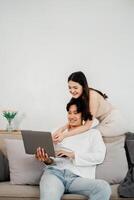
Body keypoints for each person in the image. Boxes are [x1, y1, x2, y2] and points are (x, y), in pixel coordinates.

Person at [36, 98, 111, 200]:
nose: (71, 116)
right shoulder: (57, 132)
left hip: (78, 178)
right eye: (69, 113)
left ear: (83, 115)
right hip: (54, 174)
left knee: (103, 187)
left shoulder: (93, 134)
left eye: (75, 113)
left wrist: (72, 155)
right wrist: (46, 159)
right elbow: (51, 160)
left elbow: (99, 156)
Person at [53, 71, 128, 143]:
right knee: (81, 133)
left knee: (88, 134)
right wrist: (61, 129)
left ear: (83, 86)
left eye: (75, 87)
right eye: (70, 87)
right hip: (104, 122)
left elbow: (87, 126)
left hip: (115, 122)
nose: (72, 91)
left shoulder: (92, 96)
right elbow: (75, 117)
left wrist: (64, 135)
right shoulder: (79, 96)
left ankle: (75, 154)